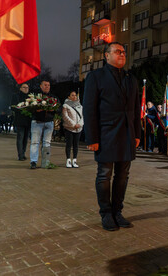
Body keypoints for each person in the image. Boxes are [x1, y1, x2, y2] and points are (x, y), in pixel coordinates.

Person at [83, 41, 141, 231]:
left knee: (123, 175)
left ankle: (118, 212)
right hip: (106, 134)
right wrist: (92, 138)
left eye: (124, 52)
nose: (122, 54)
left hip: (126, 134)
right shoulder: (95, 77)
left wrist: (137, 133)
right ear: (106, 56)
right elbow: (90, 109)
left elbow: (135, 109)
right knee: (104, 175)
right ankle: (106, 214)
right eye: (117, 52)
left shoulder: (131, 79)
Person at [29, 81, 60, 169]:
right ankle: (33, 162)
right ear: (41, 86)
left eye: (48, 85)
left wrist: (53, 110)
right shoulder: (35, 97)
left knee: (47, 142)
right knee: (35, 142)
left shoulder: (54, 98)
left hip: (49, 122)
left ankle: (45, 162)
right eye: (45, 85)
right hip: (37, 122)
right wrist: (35, 110)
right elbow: (29, 108)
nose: (47, 86)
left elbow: (59, 109)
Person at [62, 91, 84, 168]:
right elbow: (65, 116)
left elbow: (83, 116)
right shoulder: (65, 106)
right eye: (72, 95)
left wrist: (79, 124)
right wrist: (73, 125)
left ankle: (74, 160)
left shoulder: (80, 106)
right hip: (69, 128)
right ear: (69, 97)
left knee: (76, 145)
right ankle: (68, 160)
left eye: (75, 95)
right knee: (69, 144)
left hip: (78, 128)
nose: (75, 97)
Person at [11, 84, 31, 161]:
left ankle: (23, 153)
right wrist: (21, 109)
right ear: (20, 88)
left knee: (26, 138)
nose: (26, 89)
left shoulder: (30, 97)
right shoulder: (16, 96)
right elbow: (13, 107)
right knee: (20, 137)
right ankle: (20, 155)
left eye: (27, 87)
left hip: (28, 120)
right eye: (24, 87)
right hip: (19, 120)